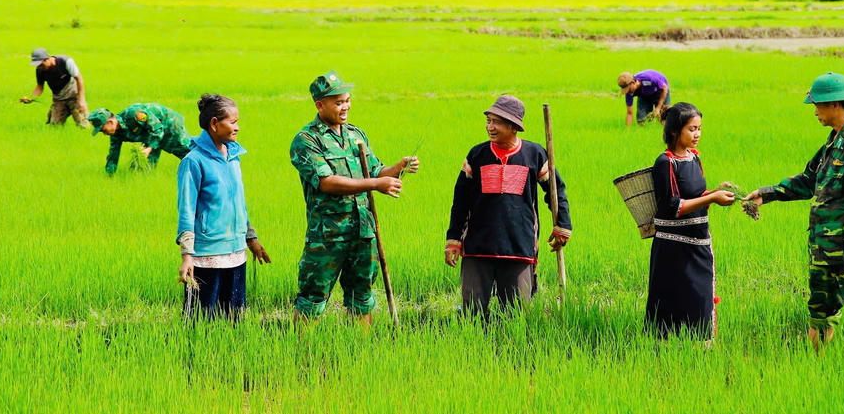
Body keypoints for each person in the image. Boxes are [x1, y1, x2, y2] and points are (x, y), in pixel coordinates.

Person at [743, 72, 844, 349]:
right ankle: (817, 368)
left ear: (834, 104)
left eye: (817, 105)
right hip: (823, 248)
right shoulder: (833, 142)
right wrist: (766, 194)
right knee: (820, 315)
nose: (814, 112)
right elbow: (809, 180)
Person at [289, 71, 419, 322]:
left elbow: (377, 170)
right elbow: (326, 183)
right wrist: (375, 184)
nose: (345, 106)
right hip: (327, 236)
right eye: (338, 102)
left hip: (362, 231)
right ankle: (301, 354)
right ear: (320, 105)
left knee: (362, 295)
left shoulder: (355, 135)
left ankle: (361, 349)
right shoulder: (306, 140)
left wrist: (399, 167)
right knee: (313, 297)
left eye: (347, 100)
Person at [444, 95, 572, 318]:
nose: (490, 127)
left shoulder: (535, 154)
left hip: (519, 246)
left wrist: (562, 224)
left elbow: (555, 191)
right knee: (472, 311)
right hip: (478, 246)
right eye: (488, 121)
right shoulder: (477, 154)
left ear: (514, 127)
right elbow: (460, 201)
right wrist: (453, 240)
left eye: (497, 122)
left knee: (515, 314)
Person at [176, 94, 271, 319]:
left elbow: (238, 202)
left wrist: (251, 239)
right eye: (233, 122)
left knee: (234, 317)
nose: (237, 128)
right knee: (200, 319)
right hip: (207, 254)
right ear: (214, 124)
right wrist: (187, 255)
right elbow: (186, 210)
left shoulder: (233, 155)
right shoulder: (193, 161)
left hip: (236, 251)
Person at [646, 102, 734, 339]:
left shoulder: (694, 158)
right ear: (675, 131)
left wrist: (715, 192)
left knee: (700, 295)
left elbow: (697, 196)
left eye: (699, 129)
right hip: (672, 247)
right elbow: (673, 206)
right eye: (692, 129)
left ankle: (699, 348)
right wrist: (713, 198)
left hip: (699, 242)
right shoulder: (665, 162)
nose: (697, 135)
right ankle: (664, 348)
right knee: (672, 299)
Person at [88, 103, 191, 175]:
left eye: (103, 130)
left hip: (169, 124)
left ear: (110, 122)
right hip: (150, 135)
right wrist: (109, 175)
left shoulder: (135, 114)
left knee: (188, 154)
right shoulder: (116, 134)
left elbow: (158, 129)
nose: (104, 134)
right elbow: (113, 155)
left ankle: (204, 171)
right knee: (141, 169)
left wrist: (149, 148)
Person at [22, 48, 89, 128]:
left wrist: (81, 100)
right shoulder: (40, 70)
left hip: (74, 96)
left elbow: (79, 79)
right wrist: (31, 98)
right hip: (58, 99)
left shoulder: (65, 61)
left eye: (41, 64)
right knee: (55, 127)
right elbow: (39, 87)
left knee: (83, 125)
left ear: (48, 59)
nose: (40, 67)